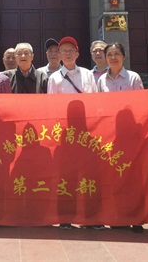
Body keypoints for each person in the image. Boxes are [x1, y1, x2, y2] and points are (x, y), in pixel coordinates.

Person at [47, 36, 97, 230]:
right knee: (66, 175)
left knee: (89, 174)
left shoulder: (88, 75)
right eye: (64, 51)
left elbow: (94, 102)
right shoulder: (54, 78)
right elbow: (52, 106)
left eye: (71, 50)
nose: (67, 54)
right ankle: (66, 216)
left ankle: (90, 217)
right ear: (59, 55)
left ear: (77, 53)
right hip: (65, 134)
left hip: (86, 132)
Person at [96, 42, 144, 233]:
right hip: (110, 135)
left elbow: (141, 105)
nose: (113, 58)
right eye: (110, 54)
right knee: (115, 176)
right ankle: (118, 216)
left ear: (124, 56)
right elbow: (99, 107)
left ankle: (136, 217)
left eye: (117, 54)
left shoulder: (133, 78)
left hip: (130, 134)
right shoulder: (101, 80)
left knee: (132, 176)